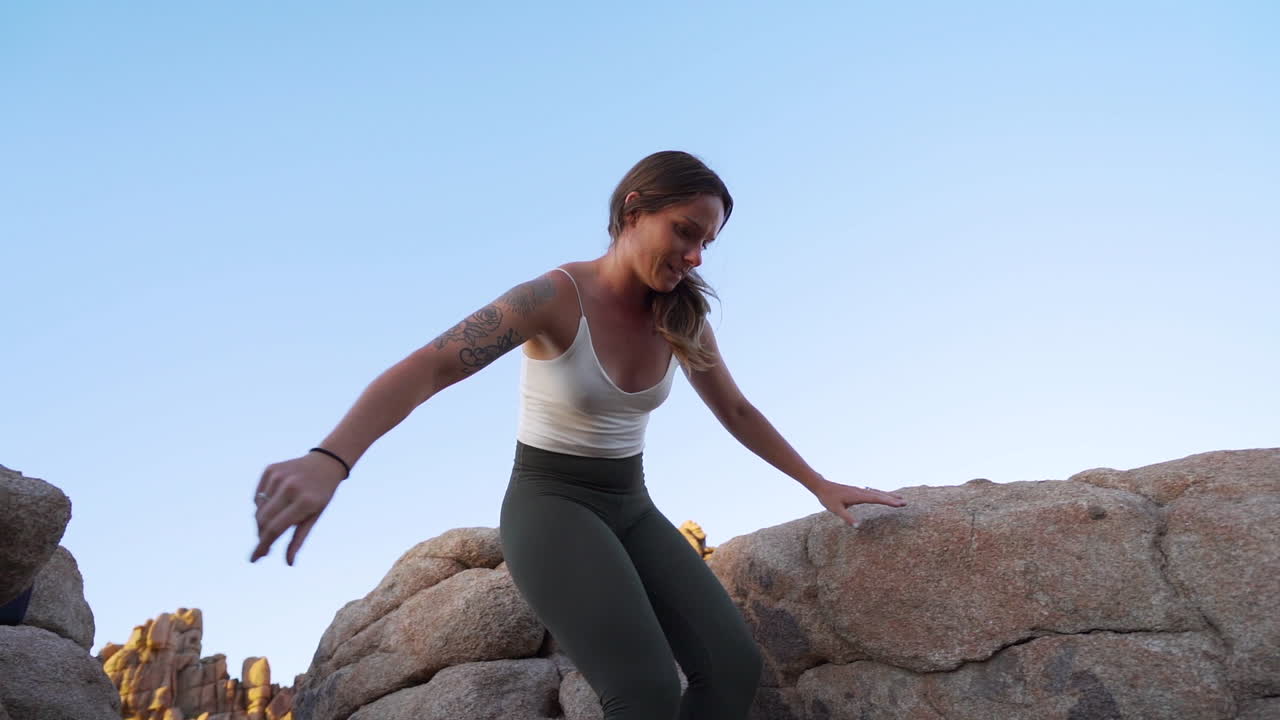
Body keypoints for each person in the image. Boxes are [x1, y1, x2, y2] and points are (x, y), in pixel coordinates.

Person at [251, 150, 908, 719]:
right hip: (550, 506)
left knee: (732, 668)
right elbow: (431, 366)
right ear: (631, 212)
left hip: (632, 506)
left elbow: (735, 410)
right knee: (643, 690)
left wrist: (819, 483)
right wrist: (331, 457)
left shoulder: (682, 315)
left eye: (706, 241)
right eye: (684, 232)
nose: (695, 255)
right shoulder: (553, 296)